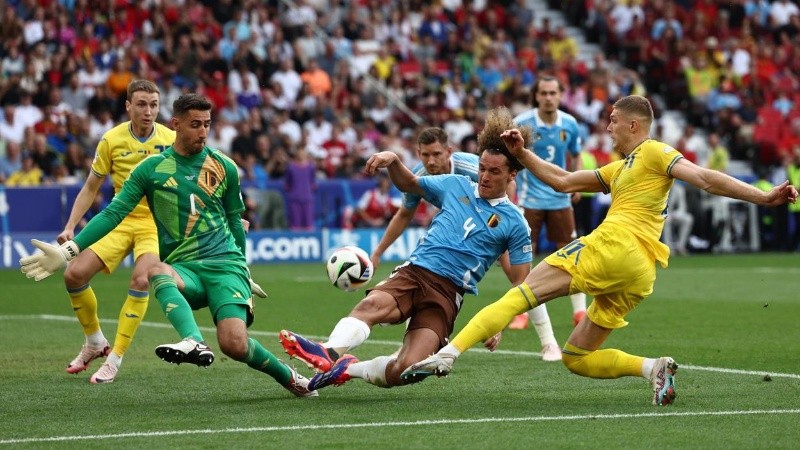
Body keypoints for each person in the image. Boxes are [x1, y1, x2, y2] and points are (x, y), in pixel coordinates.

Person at [403, 95, 798, 406]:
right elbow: (562, 180)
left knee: (521, 293)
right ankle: (653, 368)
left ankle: (449, 353)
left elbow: (704, 178)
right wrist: (521, 153)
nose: (606, 126)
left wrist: (763, 197)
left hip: (615, 245)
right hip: (640, 272)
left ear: (632, 124)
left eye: (612, 119)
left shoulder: (655, 151)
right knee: (577, 356)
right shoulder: (622, 167)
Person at [20, 94, 316, 398]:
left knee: (234, 344)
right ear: (175, 124)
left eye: (207, 125)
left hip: (225, 266)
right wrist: (70, 249)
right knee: (157, 271)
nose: (203, 131)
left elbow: (235, 221)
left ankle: (290, 377)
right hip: (185, 269)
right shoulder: (150, 170)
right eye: (195, 125)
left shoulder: (224, 166)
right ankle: (193, 340)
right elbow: (113, 213)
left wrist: (244, 270)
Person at [277, 107, 534, 391]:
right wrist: (394, 161)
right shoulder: (456, 184)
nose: (484, 176)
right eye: (482, 168)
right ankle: (329, 351)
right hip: (417, 272)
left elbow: (521, 281)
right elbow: (410, 184)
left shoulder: (516, 223)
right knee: (372, 305)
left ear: (512, 174)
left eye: (494, 172)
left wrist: (498, 321)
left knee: (408, 369)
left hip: (448, 295)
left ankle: (349, 368)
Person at [369, 126, 562, 361]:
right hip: (462, 231)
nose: (431, 161)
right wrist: (378, 252)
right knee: (425, 272)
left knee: (519, 278)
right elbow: (404, 214)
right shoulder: (420, 175)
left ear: (448, 152)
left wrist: (503, 226)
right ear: (418, 154)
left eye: (437, 154)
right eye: (425, 155)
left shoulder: (472, 167)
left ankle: (549, 342)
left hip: (497, 221)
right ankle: (408, 347)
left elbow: (507, 183)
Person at [48, 80, 176, 384]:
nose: (148, 111)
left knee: (142, 278)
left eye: (154, 105)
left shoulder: (172, 140)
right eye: (142, 104)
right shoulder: (111, 140)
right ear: (128, 106)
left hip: (154, 224)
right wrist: (70, 226)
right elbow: (91, 186)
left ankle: (114, 359)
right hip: (119, 220)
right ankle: (94, 341)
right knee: (73, 275)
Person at [507, 76, 587, 342]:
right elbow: (511, 158)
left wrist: (575, 181)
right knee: (521, 256)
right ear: (537, 95)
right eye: (544, 93)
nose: (549, 97)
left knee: (572, 255)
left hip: (560, 199)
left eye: (553, 92)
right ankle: (522, 311)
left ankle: (579, 311)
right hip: (529, 200)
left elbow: (574, 154)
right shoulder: (522, 122)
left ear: (561, 95)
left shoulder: (570, 124)